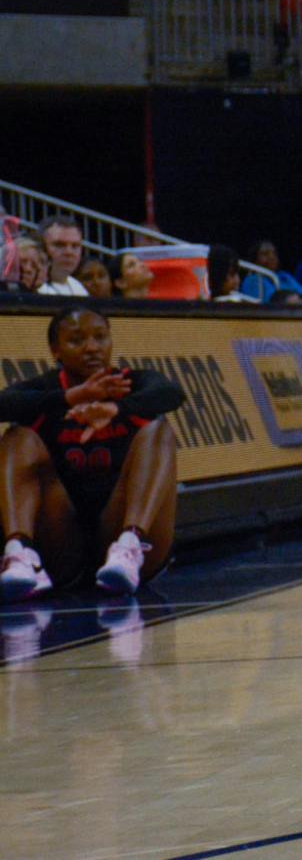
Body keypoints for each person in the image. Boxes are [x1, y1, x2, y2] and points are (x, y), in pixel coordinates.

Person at [0, 307, 184, 600]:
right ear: (55, 350)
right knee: (16, 435)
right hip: (61, 539)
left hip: (119, 526)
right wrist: (71, 398)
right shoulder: (47, 390)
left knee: (159, 429)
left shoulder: (129, 383)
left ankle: (130, 545)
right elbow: (4, 403)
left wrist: (116, 408)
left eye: (101, 337)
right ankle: (19, 553)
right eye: (77, 340)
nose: (92, 348)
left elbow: (172, 393)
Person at [36, 217, 87, 297]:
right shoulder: (34, 287)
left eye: (75, 246)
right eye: (59, 245)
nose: (69, 252)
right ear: (42, 247)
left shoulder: (77, 286)